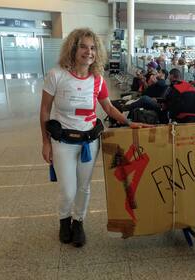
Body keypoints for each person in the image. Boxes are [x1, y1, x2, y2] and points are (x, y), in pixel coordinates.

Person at [39, 28, 150, 247]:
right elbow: (44, 110)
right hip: (63, 142)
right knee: (68, 190)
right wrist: (45, 142)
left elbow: (108, 107)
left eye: (92, 48)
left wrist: (129, 122)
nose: (88, 52)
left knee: (84, 187)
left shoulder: (98, 80)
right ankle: (64, 220)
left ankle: (79, 222)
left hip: (89, 142)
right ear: (73, 48)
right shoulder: (56, 75)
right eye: (83, 46)